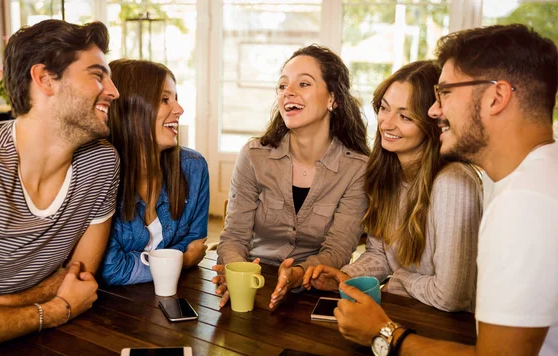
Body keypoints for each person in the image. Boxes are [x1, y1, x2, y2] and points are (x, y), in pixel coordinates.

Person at [333, 24, 558, 356]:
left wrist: (385, 333)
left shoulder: (526, 204)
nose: (435, 110)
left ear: (496, 97)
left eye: (446, 92)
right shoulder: (532, 182)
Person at [0, 19, 120, 352]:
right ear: (45, 80)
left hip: (39, 342)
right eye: (97, 75)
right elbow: (67, 299)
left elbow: (78, 283)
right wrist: (54, 309)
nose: (114, 91)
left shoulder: (102, 164)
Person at [303, 60, 482, 312]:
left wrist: (399, 281)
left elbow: (450, 296)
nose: (386, 124)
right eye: (384, 108)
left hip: (450, 331)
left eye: (405, 116)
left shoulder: (453, 183)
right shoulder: (389, 173)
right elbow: (379, 254)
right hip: (408, 313)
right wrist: (345, 276)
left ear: (431, 122)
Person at [213, 44, 370, 309]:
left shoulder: (357, 169)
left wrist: (296, 276)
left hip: (314, 289)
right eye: (282, 86)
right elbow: (234, 237)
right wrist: (236, 271)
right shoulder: (254, 155)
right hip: (253, 281)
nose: (289, 93)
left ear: (334, 99)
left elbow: (338, 251)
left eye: (304, 84)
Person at [100, 59, 209, 286]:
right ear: (129, 109)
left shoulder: (194, 167)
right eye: (164, 99)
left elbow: (195, 243)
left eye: (176, 99)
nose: (179, 110)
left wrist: (143, 264)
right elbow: (109, 267)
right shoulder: (98, 173)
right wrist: (183, 260)